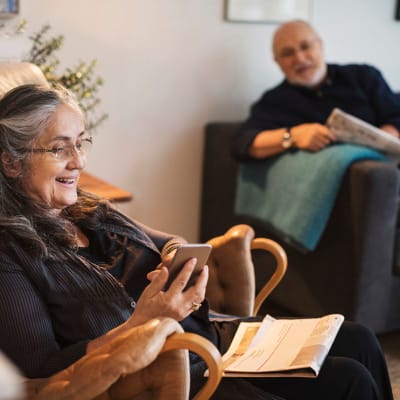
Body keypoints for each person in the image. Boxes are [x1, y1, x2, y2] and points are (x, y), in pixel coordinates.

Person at [0, 84, 394, 400]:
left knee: (356, 337)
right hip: (175, 374)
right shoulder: (9, 253)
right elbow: (43, 373)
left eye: (80, 143)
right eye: (59, 148)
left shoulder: (86, 207)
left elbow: (169, 239)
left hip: (212, 335)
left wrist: (176, 260)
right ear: (11, 162)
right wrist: (145, 323)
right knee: (347, 379)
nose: (79, 161)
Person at [232, 19, 400, 161]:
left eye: (305, 47)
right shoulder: (275, 101)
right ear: (277, 61)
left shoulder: (364, 76)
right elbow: (243, 143)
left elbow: (395, 115)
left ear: (320, 45)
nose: (300, 58)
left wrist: (386, 136)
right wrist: (294, 136)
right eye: (287, 53)